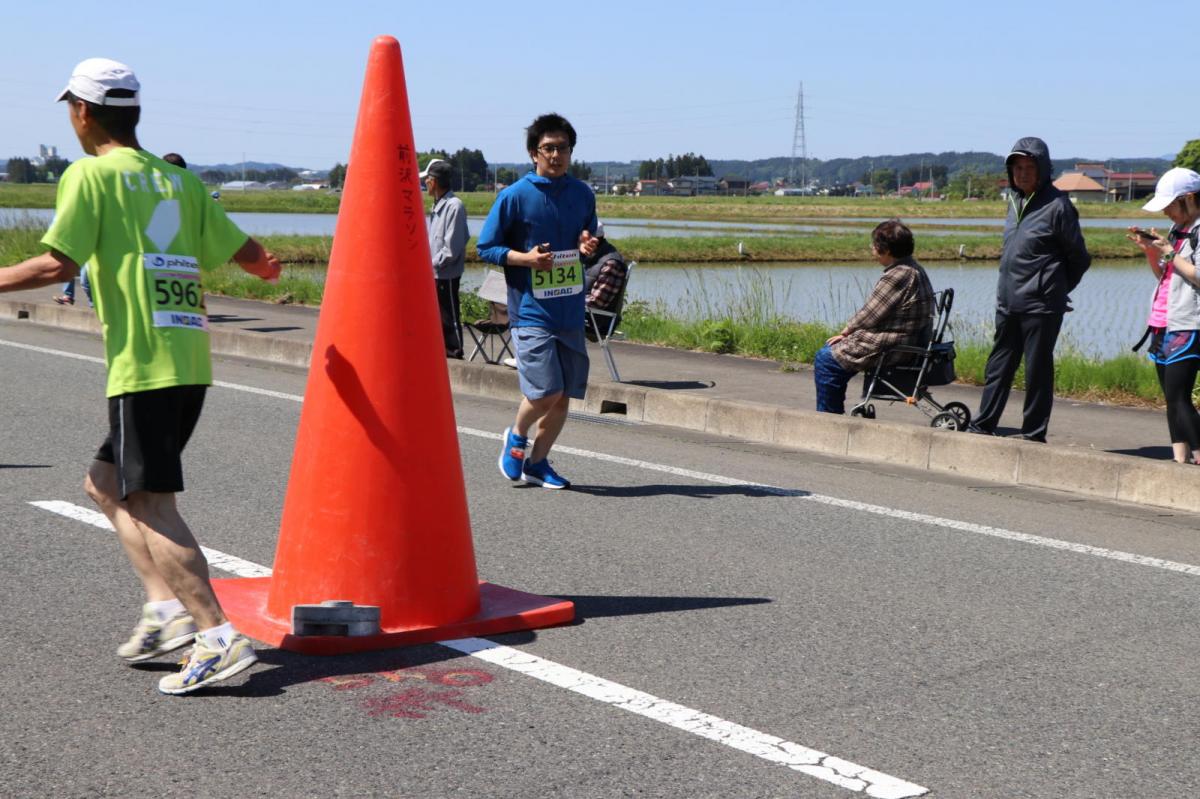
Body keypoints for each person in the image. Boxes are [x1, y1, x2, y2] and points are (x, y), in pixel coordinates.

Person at [0, 58, 282, 694]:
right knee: (104, 485)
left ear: (82, 112)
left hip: (144, 365)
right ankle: (164, 609)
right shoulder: (179, 181)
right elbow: (247, 253)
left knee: (151, 505)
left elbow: (57, 265)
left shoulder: (90, 174)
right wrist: (266, 267)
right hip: (189, 359)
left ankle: (216, 635)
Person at [477, 113, 599, 489]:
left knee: (563, 397)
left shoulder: (582, 194)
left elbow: (588, 242)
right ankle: (516, 435)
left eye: (563, 148)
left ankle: (538, 462)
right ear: (534, 153)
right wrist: (526, 259)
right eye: (549, 148)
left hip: (570, 309)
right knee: (547, 390)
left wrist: (587, 247)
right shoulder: (515, 196)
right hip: (531, 310)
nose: (556, 155)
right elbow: (486, 247)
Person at [968, 137, 1091, 442]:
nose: (1022, 173)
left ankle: (1033, 434)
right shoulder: (1014, 201)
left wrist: (1055, 288)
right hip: (1008, 301)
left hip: (1041, 306)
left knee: (1037, 370)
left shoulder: (1058, 206)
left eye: (1029, 167)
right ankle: (983, 425)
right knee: (998, 366)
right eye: (1017, 167)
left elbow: (1079, 258)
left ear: (1043, 169)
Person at [813, 219, 935, 413]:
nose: (872, 248)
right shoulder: (914, 268)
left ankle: (829, 416)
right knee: (830, 354)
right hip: (908, 339)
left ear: (887, 250)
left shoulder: (898, 275)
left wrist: (846, 331)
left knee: (826, 359)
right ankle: (831, 412)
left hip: (893, 344)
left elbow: (870, 314)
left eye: (875, 245)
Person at [1128, 168, 1200, 464]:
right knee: (1171, 399)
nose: (1167, 212)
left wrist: (1170, 252)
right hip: (1162, 322)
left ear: (1190, 198)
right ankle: (1179, 460)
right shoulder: (1176, 229)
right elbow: (1165, 276)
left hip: (1188, 323)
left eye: (1170, 205)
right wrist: (1151, 251)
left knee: (1179, 396)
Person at [422, 158, 468, 359]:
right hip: (435, 271)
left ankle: (455, 351)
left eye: (427, 179)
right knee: (439, 315)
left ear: (433, 181)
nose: (425, 183)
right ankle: (442, 350)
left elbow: (451, 249)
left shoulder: (454, 206)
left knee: (449, 314)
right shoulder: (438, 205)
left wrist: (431, 264)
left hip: (446, 272)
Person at [582, 221, 629, 338]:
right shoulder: (590, 257)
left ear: (594, 241)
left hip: (596, 322)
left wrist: (566, 301)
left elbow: (596, 303)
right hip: (582, 314)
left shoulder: (611, 264)